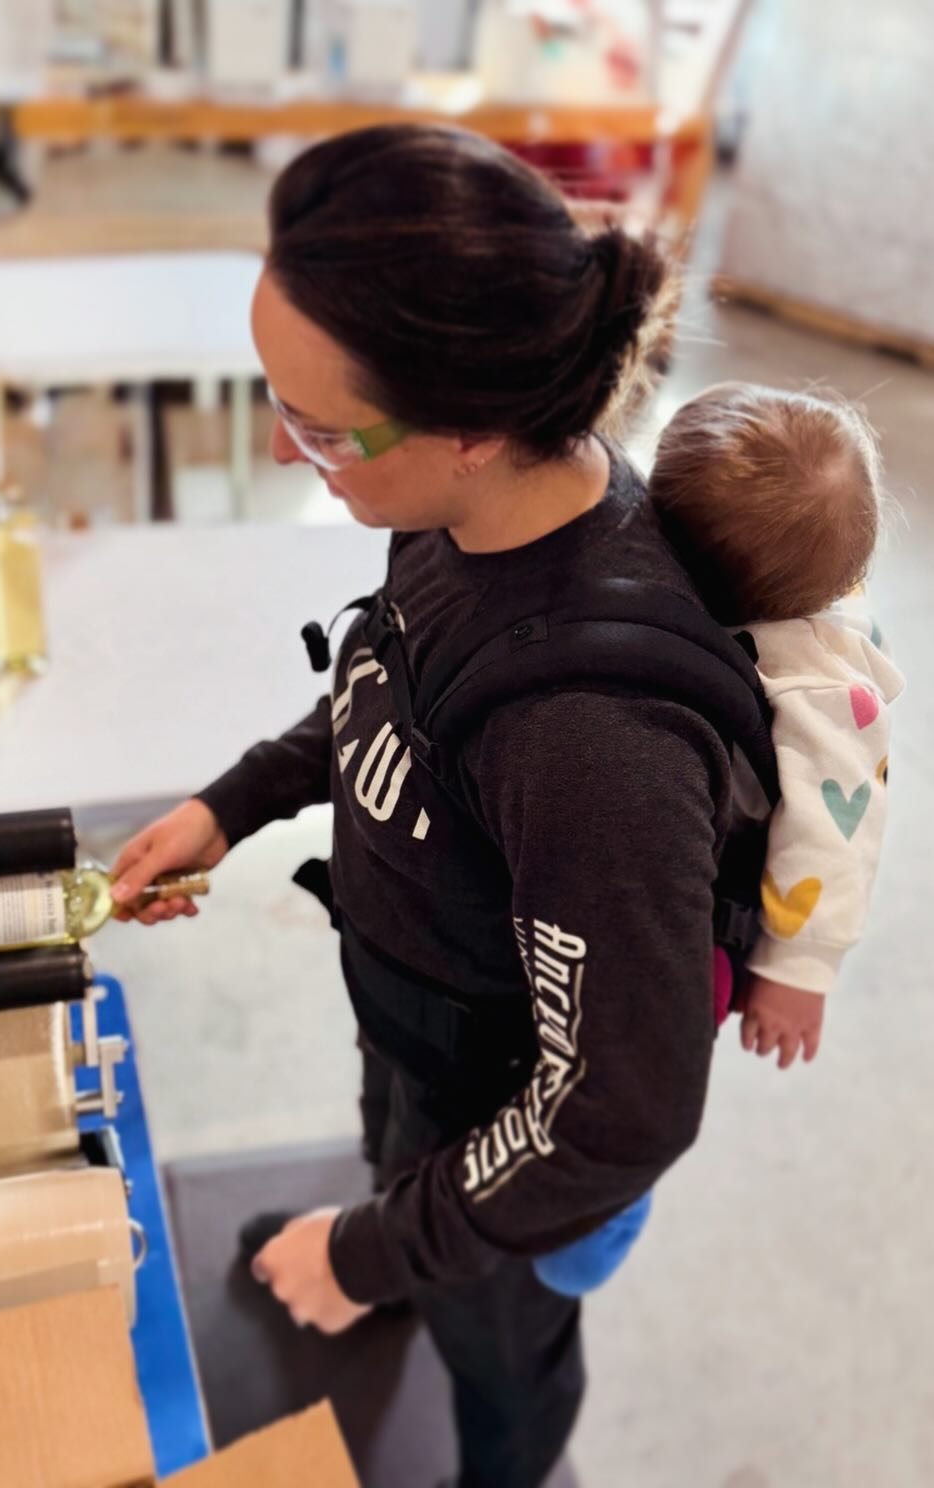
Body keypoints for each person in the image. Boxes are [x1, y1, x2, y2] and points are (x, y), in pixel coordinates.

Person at [111, 124, 725, 1488]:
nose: (290, 458)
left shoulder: (594, 746)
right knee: (387, 1135)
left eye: (319, 429)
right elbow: (382, 687)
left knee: (497, 1353)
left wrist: (370, 1246)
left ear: (468, 425)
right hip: (412, 1013)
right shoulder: (452, 515)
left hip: (510, 1129)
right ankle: (391, 1228)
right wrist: (238, 800)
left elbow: (613, 1115)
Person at [532, 383, 903, 1301]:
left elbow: (839, 837)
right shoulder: (781, 570)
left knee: (635, 1077)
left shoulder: (815, 693)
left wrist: (800, 968)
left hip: (707, 929)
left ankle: (594, 1235)